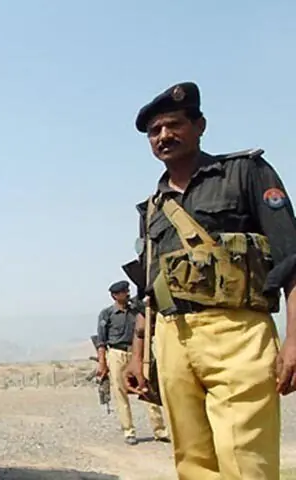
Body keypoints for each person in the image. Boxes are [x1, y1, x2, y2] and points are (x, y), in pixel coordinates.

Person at [122, 81, 296, 480]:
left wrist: (294, 339)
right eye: (155, 131)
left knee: (245, 460)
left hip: (237, 333)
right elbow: (149, 290)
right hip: (173, 338)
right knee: (193, 462)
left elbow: (292, 259)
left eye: (173, 124)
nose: (164, 135)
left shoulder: (245, 173)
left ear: (199, 126)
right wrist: (137, 354)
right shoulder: (153, 207)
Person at [95, 280, 169, 445]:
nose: (127, 294)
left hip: (139, 352)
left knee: (147, 389)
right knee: (120, 393)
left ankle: (160, 430)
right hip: (117, 353)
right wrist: (102, 363)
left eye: (127, 290)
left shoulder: (138, 310)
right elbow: (101, 340)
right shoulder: (107, 314)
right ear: (115, 296)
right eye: (123, 292)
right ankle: (129, 431)